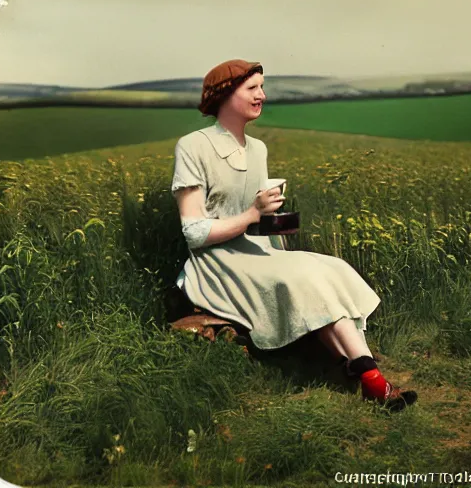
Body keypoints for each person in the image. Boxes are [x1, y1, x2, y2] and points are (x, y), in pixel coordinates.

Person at [171, 59, 417, 412]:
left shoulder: (258, 150)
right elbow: (194, 232)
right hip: (218, 262)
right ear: (225, 94)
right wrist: (253, 213)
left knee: (331, 268)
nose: (262, 95)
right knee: (307, 277)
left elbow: (255, 222)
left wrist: (274, 219)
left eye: (262, 86)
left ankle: (367, 376)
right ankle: (372, 379)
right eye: (252, 88)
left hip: (259, 251)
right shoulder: (192, 146)